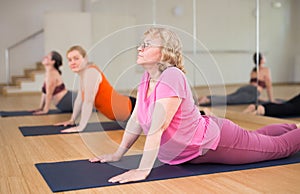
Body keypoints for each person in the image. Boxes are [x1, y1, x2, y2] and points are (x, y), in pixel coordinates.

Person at [89, 27, 300, 184]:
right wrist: (118, 154)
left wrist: (143, 170)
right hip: (194, 152)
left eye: (148, 44)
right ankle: (289, 128)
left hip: (215, 143)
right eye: (141, 43)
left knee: (278, 148)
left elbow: (157, 127)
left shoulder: (171, 76)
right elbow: (136, 119)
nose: (140, 48)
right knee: (258, 139)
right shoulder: (146, 78)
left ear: (164, 53)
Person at [55, 45, 136, 133]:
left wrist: (81, 126)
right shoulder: (83, 74)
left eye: (76, 58)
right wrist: (72, 120)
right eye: (70, 60)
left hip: (134, 109)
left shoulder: (91, 73)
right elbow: (79, 99)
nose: (72, 62)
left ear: (85, 59)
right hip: (126, 110)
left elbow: (88, 101)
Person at [198, 52, 275, 106]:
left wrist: (258, 98)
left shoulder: (253, 70)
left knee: (229, 96)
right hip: (253, 92)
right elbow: (269, 86)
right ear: (261, 60)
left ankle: (208, 97)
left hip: (246, 89)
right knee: (231, 100)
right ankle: (208, 100)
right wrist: (271, 100)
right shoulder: (266, 70)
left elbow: (252, 84)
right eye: (264, 57)